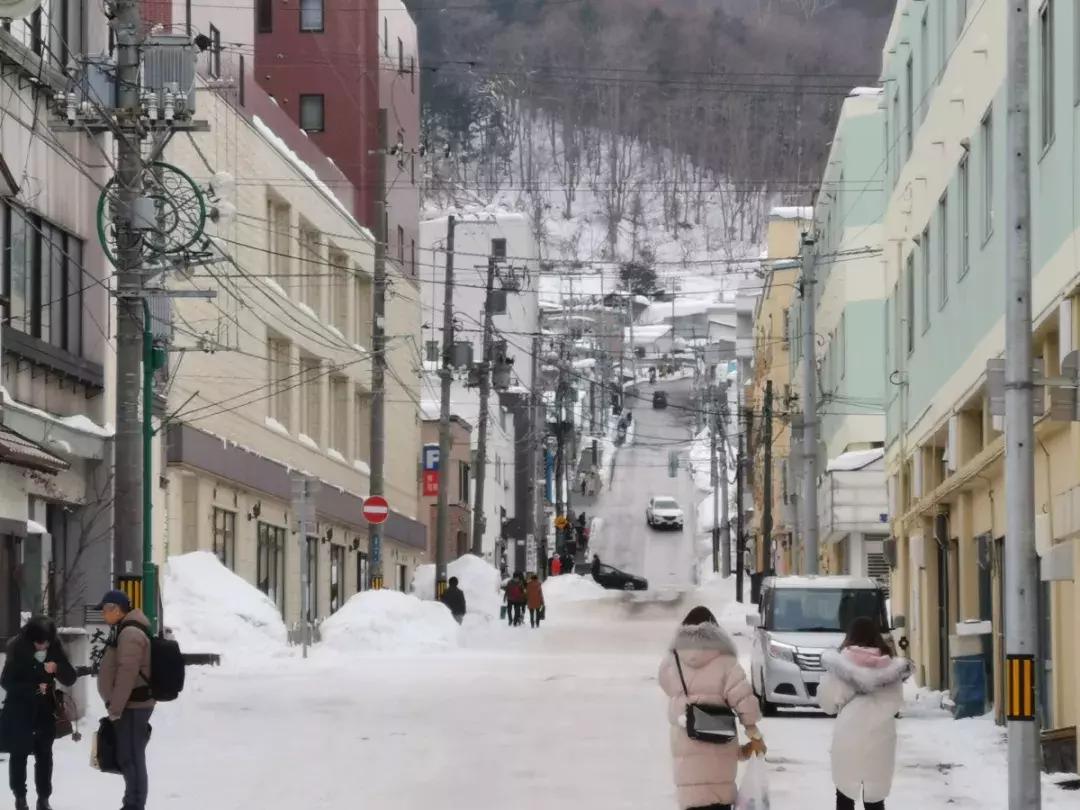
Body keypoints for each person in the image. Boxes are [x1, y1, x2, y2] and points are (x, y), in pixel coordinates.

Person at [658, 606, 766, 810]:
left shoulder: (672, 663)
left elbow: (665, 684)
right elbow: (743, 699)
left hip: (687, 752)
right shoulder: (726, 662)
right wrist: (753, 732)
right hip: (720, 749)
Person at [818, 616, 912, 810]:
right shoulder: (891, 669)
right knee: (875, 795)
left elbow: (827, 703)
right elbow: (895, 702)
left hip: (848, 732)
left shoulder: (841, 666)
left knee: (844, 793)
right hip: (881, 734)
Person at [0, 616, 76, 810]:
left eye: (46, 643)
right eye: (38, 643)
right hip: (19, 711)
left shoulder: (54, 649)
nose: (42, 647)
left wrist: (57, 667)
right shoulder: (18, 650)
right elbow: (6, 682)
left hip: (45, 712)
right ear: (30, 640)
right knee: (19, 755)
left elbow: (70, 678)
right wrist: (34, 687)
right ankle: (20, 797)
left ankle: (44, 798)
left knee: (45, 756)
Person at [96, 590, 155, 810]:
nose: (103, 614)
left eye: (104, 610)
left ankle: (134, 805)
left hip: (133, 705)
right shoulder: (125, 630)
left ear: (116, 609)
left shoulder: (130, 633)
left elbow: (126, 673)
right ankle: (132, 803)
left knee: (131, 758)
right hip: (130, 705)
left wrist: (116, 707)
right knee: (129, 756)